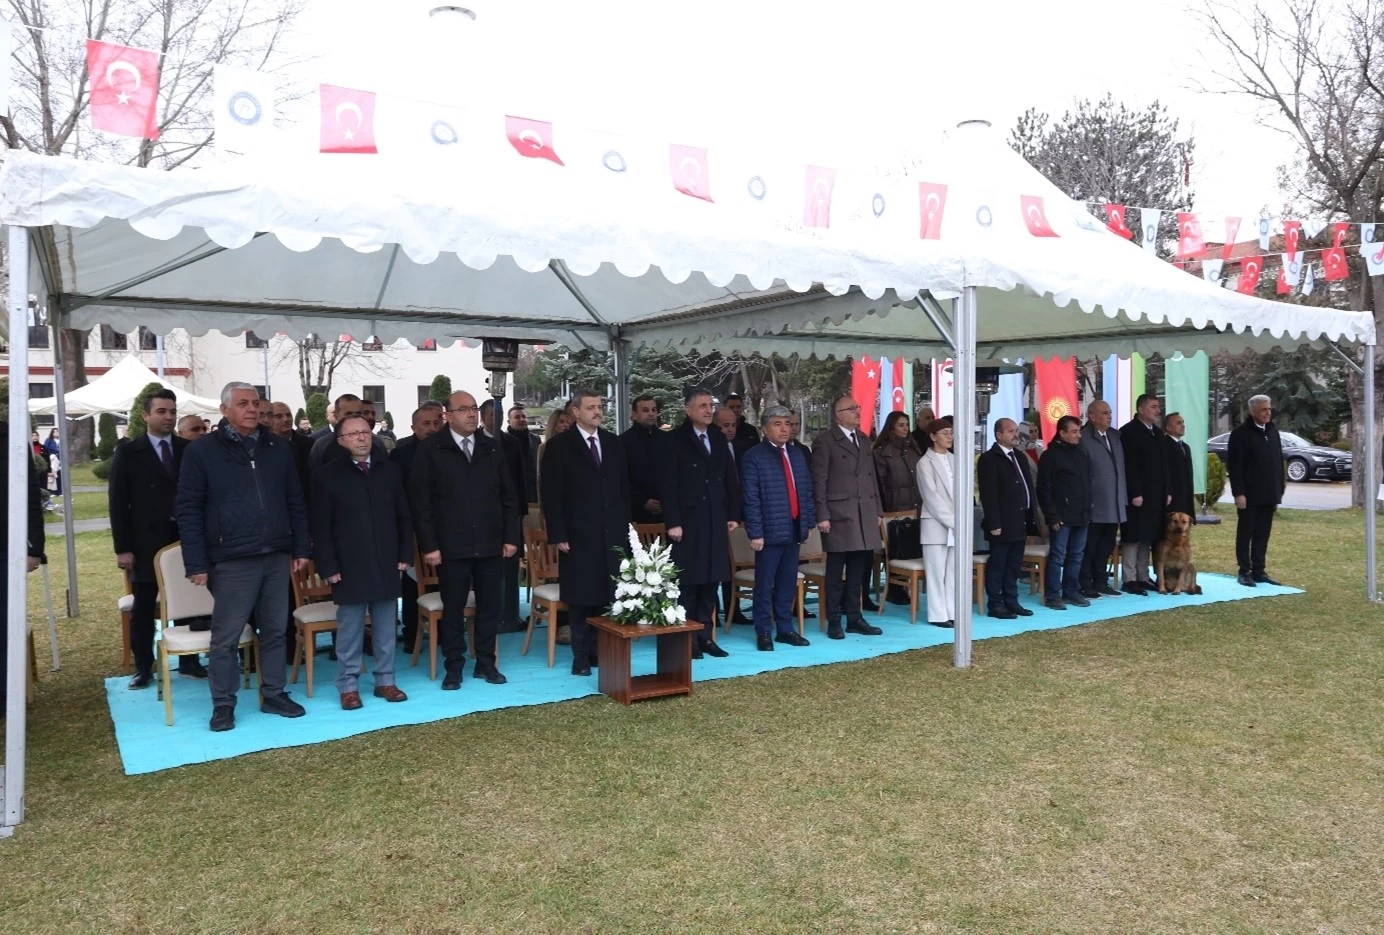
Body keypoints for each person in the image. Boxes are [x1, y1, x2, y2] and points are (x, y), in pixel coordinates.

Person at [174, 382, 311, 733]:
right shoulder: (202, 452)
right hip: (231, 557)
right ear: (224, 410)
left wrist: (300, 547)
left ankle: (274, 693)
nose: (251, 409)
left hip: (276, 553)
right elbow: (188, 509)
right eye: (242, 404)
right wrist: (196, 563)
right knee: (226, 637)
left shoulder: (276, 448)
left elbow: (295, 499)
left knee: (276, 630)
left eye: (254, 403)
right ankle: (223, 704)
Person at [410, 391, 520, 689]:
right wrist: (429, 545)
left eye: (473, 408)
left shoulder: (491, 448)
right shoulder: (432, 449)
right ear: (448, 415)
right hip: (450, 546)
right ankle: (454, 666)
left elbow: (509, 497)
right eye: (463, 409)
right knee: (454, 609)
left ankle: (486, 663)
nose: (471, 414)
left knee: (489, 608)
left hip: (489, 543)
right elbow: (421, 504)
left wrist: (511, 537)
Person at [310, 415, 412, 709]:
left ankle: (385, 681)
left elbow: (403, 517)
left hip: (387, 561)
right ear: (341, 441)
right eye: (353, 434)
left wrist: (405, 554)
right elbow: (321, 527)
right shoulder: (326, 475)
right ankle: (349, 685)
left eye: (365, 432)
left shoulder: (390, 471)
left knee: (385, 627)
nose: (361, 438)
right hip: (348, 565)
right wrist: (328, 567)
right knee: (351, 630)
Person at [108, 387, 204, 687]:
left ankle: (190, 660)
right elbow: (117, 502)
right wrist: (123, 548)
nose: (168, 417)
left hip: (185, 538)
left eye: (172, 412)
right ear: (145, 415)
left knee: (191, 599)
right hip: (145, 541)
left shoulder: (187, 449)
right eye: (161, 411)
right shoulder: (128, 452)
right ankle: (144, 667)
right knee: (144, 605)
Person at [540, 390, 631, 676]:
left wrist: (625, 526)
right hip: (577, 534)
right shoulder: (559, 446)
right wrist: (559, 533)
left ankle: (600, 653)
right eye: (591, 407)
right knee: (581, 598)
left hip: (611, 533)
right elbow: (551, 495)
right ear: (575, 412)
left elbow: (622, 487)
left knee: (607, 595)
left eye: (600, 406)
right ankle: (581, 657)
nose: (597, 411)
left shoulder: (613, 443)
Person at [659, 387, 741, 658]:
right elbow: (667, 484)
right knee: (689, 582)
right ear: (688, 410)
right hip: (688, 520)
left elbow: (730, 477)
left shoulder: (718, 437)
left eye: (710, 406)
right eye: (703, 406)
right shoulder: (675, 440)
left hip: (715, 517)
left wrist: (733, 513)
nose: (709, 410)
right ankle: (688, 638)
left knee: (712, 580)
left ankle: (706, 635)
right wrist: (673, 521)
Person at [739, 406, 815, 651]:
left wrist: (807, 523)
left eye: (788, 423)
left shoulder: (797, 454)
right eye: (778, 424)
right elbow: (750, 498)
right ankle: (763, 631)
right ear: (764, 428)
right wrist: (756, 532)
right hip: (769, 531)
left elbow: (806, 491)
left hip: (793, 528)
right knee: (765, 583)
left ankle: (785, 629)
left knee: (786, 582)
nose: (785, 428)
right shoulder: (754, 456)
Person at [810, 394, 885, 639]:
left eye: (858, 407)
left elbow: (871, 478)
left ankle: (855, 617)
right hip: (839, 513)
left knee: (858, 569)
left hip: (864, 513)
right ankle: (834, 620)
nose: (857, 411)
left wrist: (877, 511)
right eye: (851, 408)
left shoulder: (863, 439)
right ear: (838, 414)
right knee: (835, 570)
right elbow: (819, 481)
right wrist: (822, 514)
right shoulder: (825, 442)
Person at [390, 401, 444, 652]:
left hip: (446, 528)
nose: (432, 428)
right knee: (413, 585)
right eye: (426, 424)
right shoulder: (401, 454)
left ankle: (445, 632)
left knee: (446, 582)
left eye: (436, 422)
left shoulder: (451, 448)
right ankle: (412, 634)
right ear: (413, 427)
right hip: (412, 529)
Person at [0, 420, 46, 717]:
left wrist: (34, 549)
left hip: (7, 546)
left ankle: (6, 696)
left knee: (5, 624)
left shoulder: (11, 436)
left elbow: (31, 496)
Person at [977, 418, 1036, 620]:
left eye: (1015, 430)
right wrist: (994, 523)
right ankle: (996, 603)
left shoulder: (1019, 456)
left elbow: (1027, 487)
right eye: (1010, 431)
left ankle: (1012, 601)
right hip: (1001, 522)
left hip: (1019, 519)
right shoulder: (989, 459)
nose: (1015, 434)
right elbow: (989, 494)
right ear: (998, 434)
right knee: (998, 565)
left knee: (1014, 564)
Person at [480, 397, 528, 633]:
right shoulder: (475, 442)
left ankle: (511, 614)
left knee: (510, 567)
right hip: (484, 515)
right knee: (488, 567)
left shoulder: (511, 442)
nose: (495, 421)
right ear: (482, 418)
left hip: (510, 515)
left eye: (499, 417)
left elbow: (520, 478)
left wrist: (521, 513)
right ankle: (489, 615)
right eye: (491, 416)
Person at [1227, 394, 1285, 587]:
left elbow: (1277, 461)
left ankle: (1259, 570)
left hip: (1269, 493)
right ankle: (1244, 571)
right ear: (1253, 411)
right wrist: (1239, 492)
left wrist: (1280, 488)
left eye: (1269, 409)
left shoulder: (1272, 431)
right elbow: (1235, 466)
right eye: (1263, 409)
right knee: (1246, 533)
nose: (1268, 413)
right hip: (1249, 495)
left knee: (1263, 533)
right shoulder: (1241, 434)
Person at [1036, 415, 1093, 611]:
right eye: (1074, 432)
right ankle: (1053, 595)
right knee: (1058, 556)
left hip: (1082, 514)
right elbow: (1044, 489)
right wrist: (1052, 516)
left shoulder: (1081, 453)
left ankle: (1072, 591)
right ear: (1062, 433)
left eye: (1079, 431)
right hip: (1061, 516)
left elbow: (1086, 483)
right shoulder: (1050, 456)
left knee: (1076, 555)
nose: (1079, 435)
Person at [1119, 394, 1170, 595]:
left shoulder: (1158, 433)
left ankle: (1143, 575)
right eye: (1153, 407)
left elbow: (1165, 466)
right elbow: (1129, 466)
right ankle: (1130, 578)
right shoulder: (1129, 432)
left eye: (1158, 407)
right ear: (1141, 409)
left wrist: (1167, 491)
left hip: (1156, 494)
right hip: (1137, 495)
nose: (1157, 411)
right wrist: (1135, 492)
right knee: (1133, 536)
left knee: (1148, 535)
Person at [1078, 401, 1125, 599]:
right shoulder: (1083, 437)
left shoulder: (1115, 436)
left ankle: (1101, 581)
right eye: (1105, 413)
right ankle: (1085, 583)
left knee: (1106, 545)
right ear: (1092, 416)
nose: (1109, 416)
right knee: (1090, 546)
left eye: (1110, 412)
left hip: (1113, 501)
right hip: (1095, 503)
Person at [915, 416, 956, 627]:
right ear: (932, 437)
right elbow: (931, 497)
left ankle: (952, 611)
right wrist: (955, 522)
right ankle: (938, 614)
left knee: (952, 571)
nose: (949, 436)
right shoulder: (924, 463)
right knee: (936, 570)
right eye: (945, 433)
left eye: (951, 432)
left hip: (955, 525)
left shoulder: (954, 459)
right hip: (935, 524)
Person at [310, 394, 387, 469]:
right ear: (336, 416)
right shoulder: (322, 446)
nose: (353, 418)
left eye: (358, 413)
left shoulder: (376, 443)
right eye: (348, 414)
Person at [622, 394, 666, 524]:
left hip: (666, 513)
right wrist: (643, 501)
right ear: (634, 415)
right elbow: (621, 479)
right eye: (645, 410)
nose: (651, 414)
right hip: (636, 513)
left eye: (654, 410)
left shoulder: (667, 440)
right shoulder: (622, 442)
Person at [873, 411, 923, 514]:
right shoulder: (881, 453)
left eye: (907, 425)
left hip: (918, 508)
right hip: (895, 511)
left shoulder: (914, 450)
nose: (906, 428)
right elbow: (880, 486)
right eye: (901, 425)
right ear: (891, 428)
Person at [506, 405, 541, 505]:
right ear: (509, 421)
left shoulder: (535, 439)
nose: (521, 419)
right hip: (512, 494)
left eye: (524, 417)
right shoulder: (502, 441)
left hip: (532, 493)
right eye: (517, 417)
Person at [1163, 412, 1196, 517]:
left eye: (1183, 422)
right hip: (1171, 499)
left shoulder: (1186, 447)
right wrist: (1167, 492)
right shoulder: (1163, 445)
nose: (1183, 425)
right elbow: (1164, 472)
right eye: (1178, 423)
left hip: (1186, 499)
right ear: (1168, 427)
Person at [535, 408, 572, 492]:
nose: (566, 425)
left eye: (567, 422)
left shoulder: (575, 446)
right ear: (554, 424)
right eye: (561, 422)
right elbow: (540, 478)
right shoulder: (544, 448)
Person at [43, 428, 61, 494]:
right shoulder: (49, 440)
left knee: (59, 476)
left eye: (57, 432)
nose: (56, 433)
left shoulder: (61, 440)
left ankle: (59, 491)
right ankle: (52, 492)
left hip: (60, 460)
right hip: (52, 460)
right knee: (52, 476)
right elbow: (45, 449)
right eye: (54, 432)